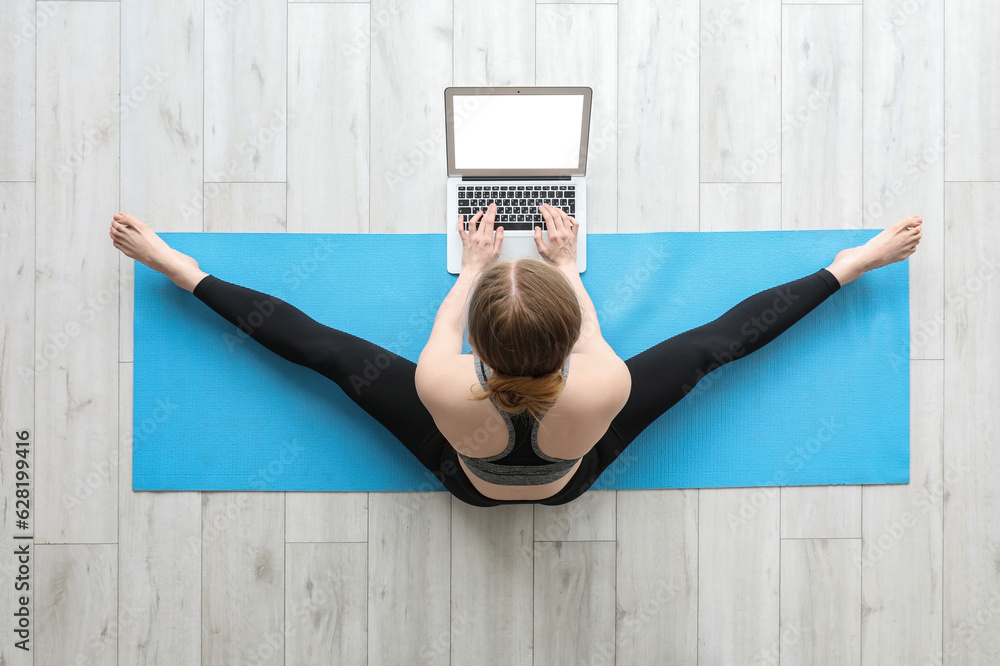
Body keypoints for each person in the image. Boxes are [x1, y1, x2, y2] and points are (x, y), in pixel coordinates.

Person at [109, 204, 922, 507]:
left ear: (480, 350)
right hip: (575, 466)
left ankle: (181, 269)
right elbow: (727, 336)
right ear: (567, 337)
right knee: (711, 350)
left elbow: (311, 340)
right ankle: (853, 262)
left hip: (466, 467)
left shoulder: (443, 381)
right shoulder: (601, 381)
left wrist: (472, 269)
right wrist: (566, 265)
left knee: (329, 355)